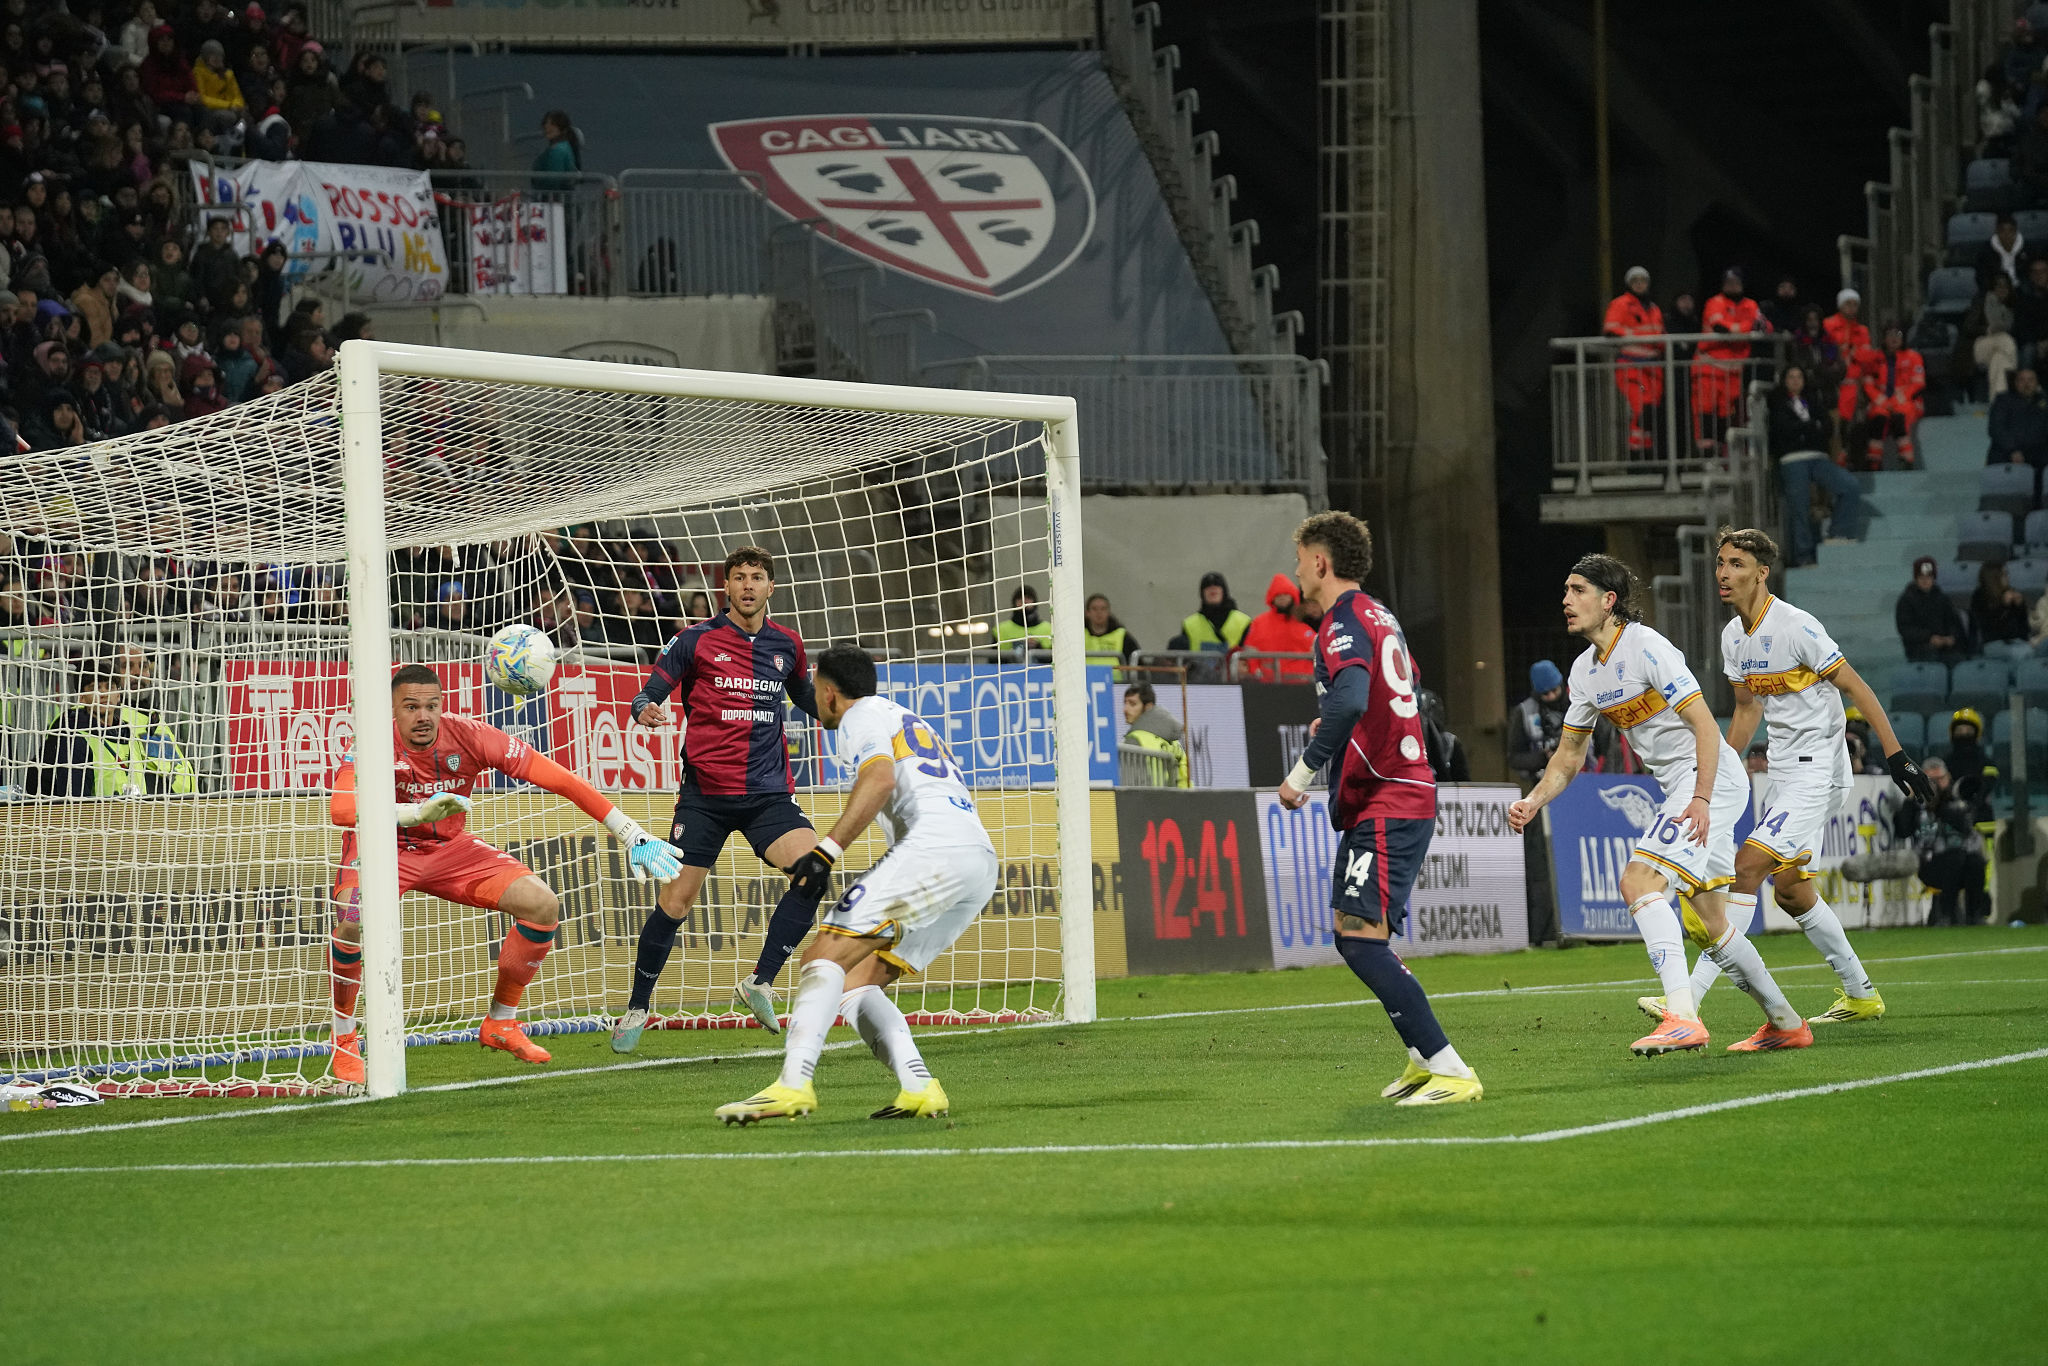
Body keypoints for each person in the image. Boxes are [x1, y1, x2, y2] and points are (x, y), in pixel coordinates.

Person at [1507, 554, 1811, 1055]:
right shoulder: (1584, 671)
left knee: (1638, 880)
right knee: (1711, 923)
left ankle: (1682, 1017)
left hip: (1707, 782)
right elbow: (1569, 754)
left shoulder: (1648, 648)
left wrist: (1701, 798)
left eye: (1578, 590)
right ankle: (1785, 1022)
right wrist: (1536, 799)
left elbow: (1706, 727)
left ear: (1609, 601)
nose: (1566, 600)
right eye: (1565, 590)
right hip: (1683, 788)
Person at [325, 664, 682, 1081]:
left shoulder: (471, 736)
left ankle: (501, 1021)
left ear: (442, 706)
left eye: (431, 706)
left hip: (448, 849)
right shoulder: (371, 743)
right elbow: (341, 810)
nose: (423, 716)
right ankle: (344, 1039)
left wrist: (629, 831)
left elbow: (559, 779)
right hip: (380, 850)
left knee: (542, 905)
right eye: (411, 707)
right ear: (393, 709)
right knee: (351, 924)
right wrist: (412, 813)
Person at [714, 644, 995, 1124]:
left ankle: (792, 1084)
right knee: (852, 982)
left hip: (932, 851)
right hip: (978, 861)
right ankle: (919, 1086)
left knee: (821, 956)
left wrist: (826, 851)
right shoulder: (903, 717)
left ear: (827, 692)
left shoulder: (859, 717)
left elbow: (880, 780)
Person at [1668, 528, 1935, 1027]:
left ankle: (1685, 1003)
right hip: (1784, 772)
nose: (1724, 573)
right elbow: (1747, 710)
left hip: (1818, 771)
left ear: (1762, 572)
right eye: (1721, 563)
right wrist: (1722, 767)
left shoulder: (1796, 627)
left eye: (1737, 564)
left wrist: (1896, 755)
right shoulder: (1732, 637)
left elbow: (1856, 686)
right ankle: (1860, 993)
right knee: (1789, 888)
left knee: (1746, 869)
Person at [1276, 511, 1481, 1105]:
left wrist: (1300, 773)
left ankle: (1451, 1070)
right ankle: (1421, 1058)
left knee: (1362, 939)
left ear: (1321, 561)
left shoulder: (1340, 621)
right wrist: (1354, 715)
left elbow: (1351, 700)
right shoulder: (1379, 614)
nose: (1296, 572)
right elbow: (1405, 688)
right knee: (1353, 934)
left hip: (1390, 796)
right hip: (1388, 795)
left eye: (1300, 559)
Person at [611, 546, 829, 1048]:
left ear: (771, 588)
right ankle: (637, 1008)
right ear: (725, 588)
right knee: (676, 901)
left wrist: (858, 715)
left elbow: (810, 700)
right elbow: (649, 692)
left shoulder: (787, 645)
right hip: (704, 797)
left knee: (814, 871)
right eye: (739, 577)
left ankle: (760, 981)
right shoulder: (695, 640)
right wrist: (643, 708)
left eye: (757, 577)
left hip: (768, 796)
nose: (748, 585)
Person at [1769, 364, 1863, 568]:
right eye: (1791, 376)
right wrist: (1811, 428)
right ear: (1784, 381)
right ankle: (1803, 556)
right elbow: (1782, 430)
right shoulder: (1777, 403)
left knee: (1850, 486)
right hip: (1792, 459)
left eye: (1799, 376)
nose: (1795, 380)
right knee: (1799, 508)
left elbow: (1827, 426)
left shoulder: (1813, 401)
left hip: (1818, 456)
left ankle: (1839, 533)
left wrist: (1802, 430)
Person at [1893, 757, 1991, 925]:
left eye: (1940, 779)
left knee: (1974, 861)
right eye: (1931, 781)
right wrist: (1910, 801)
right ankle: (1946, 914)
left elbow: (1965, 825)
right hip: (1930, 864)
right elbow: (1902, 831)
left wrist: (1938, 806)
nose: (1936, 785)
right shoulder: (1916, 804)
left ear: (1948, 778)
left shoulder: (1959, 796)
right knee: (1955, 858)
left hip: (1963, 863)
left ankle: (1975, 915)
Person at [1693, 267, 1766, 453]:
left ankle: (1725, 455)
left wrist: (1738, 330)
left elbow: (1762, 326)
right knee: (1705, 411)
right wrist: (1745, 329)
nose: (1732, 286)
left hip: (1733, 371)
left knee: (1728, 415)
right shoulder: (1714, 302)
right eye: (1729, 283)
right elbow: (1720, 327)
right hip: (1709, 367)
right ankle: (1706, 457)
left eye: (1736, 282)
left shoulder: (1750, 305)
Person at [1603, 265, 1664, 454]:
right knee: (1641, 407)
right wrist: (1639, 337)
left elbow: (1660, 336)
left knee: (1651, 410)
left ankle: (1646, 451)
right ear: (1629, 284)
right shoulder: (1621, 304)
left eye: (1642, 281)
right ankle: (1637, 454)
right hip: (1631, 366)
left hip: (1653, 368)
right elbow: (1611, 329)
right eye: (1635, 281)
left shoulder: (1653, 308)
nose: (1639, 285)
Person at [1860, 323, 1925, 469]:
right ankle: (1874, 461)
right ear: (1883, 339)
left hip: (1907, 401)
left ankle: (1907, 460)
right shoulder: (1874, 358)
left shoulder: (1913, 357)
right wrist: (1882, 401)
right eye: (1890, 335)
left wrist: (1896, 400)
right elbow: (1868, 384)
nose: (1894, 339)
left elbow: (1918, 384)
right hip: (1881, 401)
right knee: (1878, 420)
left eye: (1898, 335)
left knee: (1899, 419)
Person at [1237, 572, 1316, 681]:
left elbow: (1317, 653)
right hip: (1269, 685)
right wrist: (1255, 672)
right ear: (1272, 598)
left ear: (1293, 596)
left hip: (1302, 686)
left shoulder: (1305, 622)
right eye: (1278, 595)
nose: (1282, 598)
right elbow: (1250, 653)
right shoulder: (1259, 623)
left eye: (1285, 594)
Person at [1896, 556, 1970, 664]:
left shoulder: (1942, 598)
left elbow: (1953, 621)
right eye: (1921, 577)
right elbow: (1905, 629)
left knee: (1959, 658)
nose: (1925, 580)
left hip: (1945, 647)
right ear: (1916, 578)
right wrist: (1929, 637)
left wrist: (1951, 637)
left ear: (1933, 578)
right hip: (1919, 648)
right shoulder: (1906, 600)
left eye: (1929, 576)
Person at [1167, 571, 1251, 661]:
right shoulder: (1189, 624)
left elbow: (1250, 658)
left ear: (1224, 591)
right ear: (1202, 594)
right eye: (1207, 586)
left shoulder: (1244, 621)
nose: (1212, 588)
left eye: (1217, 585)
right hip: (1198, 674)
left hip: (1234, 674)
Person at [1121, 681, 1189, 788]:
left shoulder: (1134, 740)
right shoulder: (1175, 741)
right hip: (1178, 802)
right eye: (1125, 703)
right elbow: (1185, 779)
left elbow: (1129, 786)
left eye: (1132, 704)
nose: (1125, 709)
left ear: (1148, 707)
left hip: (1148, 802)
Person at [1824, 288, 1873, 427]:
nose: (1851, 308)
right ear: (1840, 305)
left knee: (1855, 424)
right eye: (1848, 303)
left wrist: (1850, 352)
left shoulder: (1862, 330)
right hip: (1833, 383)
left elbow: (1866, 357)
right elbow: (1826, 352)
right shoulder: (1828, 325)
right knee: (1835, 422)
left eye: (1855, 304)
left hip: (1854, 383)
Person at [1987, 366, 2048, 468]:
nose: (2026, 384)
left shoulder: (2044, 402)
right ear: (2015, 383)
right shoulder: (2003, 401)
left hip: (2038, 455)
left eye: (2030, 380)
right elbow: (1997, 428)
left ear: (2037, 383)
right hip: (2006, 454)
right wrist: (2012, 450)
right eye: (2022, 380)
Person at [1973, 561, 2033, 660]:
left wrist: (2020, 607)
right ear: (1994, 578)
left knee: (2029, 651)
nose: (2008, 577)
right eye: (2004, 575)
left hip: (2016, 641)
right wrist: (2003, 606)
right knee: (2021, 653)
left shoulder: (2011, 592)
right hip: (1992, 643)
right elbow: (1987, 627)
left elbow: (2024, 628)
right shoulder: (1979, 596)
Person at [1080, 592, 1138, 673]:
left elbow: (1136, 662)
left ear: (1108, 612)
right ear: (1087, 613)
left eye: (1103, 609)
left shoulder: (1121, 635)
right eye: (1094, 609)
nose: (1099, 613)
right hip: (1085, 682)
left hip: (1116, 683)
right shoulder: (1079, 634)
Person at [994, 585, 1053, 657]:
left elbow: (1055, 659)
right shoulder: (1001, 629)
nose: (1024, 601)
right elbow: (991, 659)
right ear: (1014, 603)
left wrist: (1038, 648)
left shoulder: (1049, 628)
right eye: (1020, 598)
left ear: (1035, 602)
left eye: (1028, 598)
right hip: (1009, 668)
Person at [1977, 212, 2028, 287]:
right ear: (1997, 232)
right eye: (2002, 231)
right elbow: (1981, 276)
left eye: (2010, 230)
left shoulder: (2027, 249)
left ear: (2015, 231)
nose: (2007, 235)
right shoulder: (1986, 252)